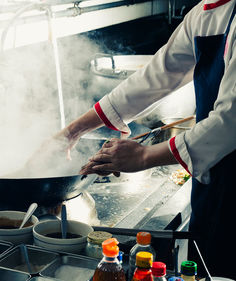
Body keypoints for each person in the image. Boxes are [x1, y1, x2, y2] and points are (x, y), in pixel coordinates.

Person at [61, 0, 236, 278]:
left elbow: (230, 120)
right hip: (214, 181)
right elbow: (157, 75)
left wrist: (144, 156)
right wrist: (72, 131)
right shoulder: (208, 11)